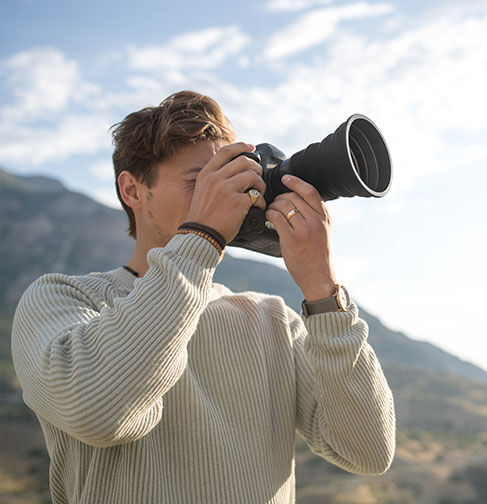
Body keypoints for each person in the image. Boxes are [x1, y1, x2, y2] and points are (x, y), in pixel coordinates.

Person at [11, 91, 396, 503]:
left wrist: (323, 290)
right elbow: (100, 413)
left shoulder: (273, 321)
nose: (229, 195)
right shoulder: (62, 300)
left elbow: (367, 451)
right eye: (202, 182)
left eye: (234, 177)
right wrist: (203, 238)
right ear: (133, 191)